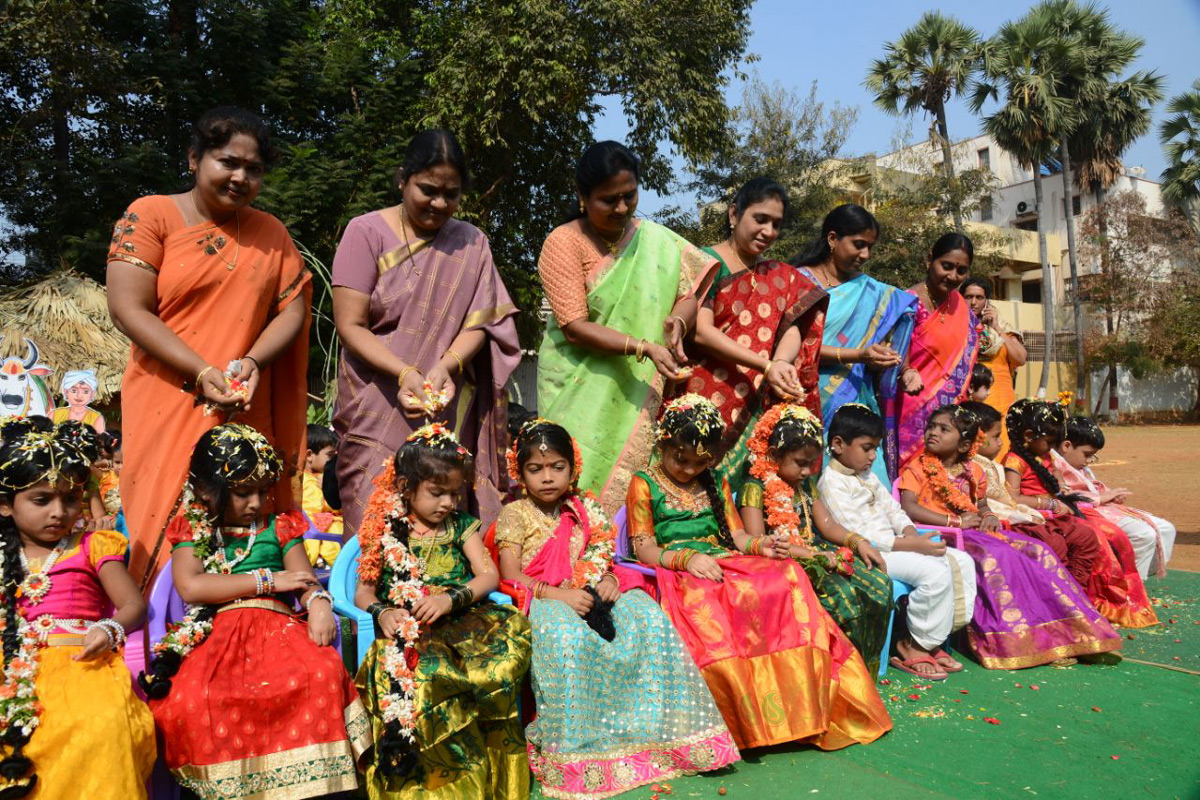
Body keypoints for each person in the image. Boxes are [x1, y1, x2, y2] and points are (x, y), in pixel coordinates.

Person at [107, 106, 311, 590]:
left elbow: (294, 310)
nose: (240, 177)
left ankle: (250, 623)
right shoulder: (151, 214)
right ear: (194, 158)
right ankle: (160, 637)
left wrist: (254, 361)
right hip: (169, 396)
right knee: (164, 511)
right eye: (227, 161)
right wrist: (200, 372)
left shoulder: (270, 233)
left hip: (243, 402)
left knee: (247, 515)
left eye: (254, 169)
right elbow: (128, 309)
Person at [626, 395, 891, 751]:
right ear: (664, 444)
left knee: (788, 576)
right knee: (716, 596)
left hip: (723, 558)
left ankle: (803, 708)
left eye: (699, 462)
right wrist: (686, 559)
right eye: (681, 460)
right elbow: (643, 548)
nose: (690, 470)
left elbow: (736, 536)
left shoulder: (713, 479)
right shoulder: (644, 483)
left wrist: (761, 546)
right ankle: (742, 721)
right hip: (676, 565)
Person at [495, 419, 737, 798]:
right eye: (535, 469)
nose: (547, 478)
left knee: (646, 616)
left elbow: (604, 557)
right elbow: (509, 575)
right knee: (565, 634)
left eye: (557, 467)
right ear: (520, 473)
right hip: (543, 600)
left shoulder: (585, 507)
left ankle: (661, 738)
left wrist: (608, 579)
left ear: (572, 469)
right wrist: (560, 597)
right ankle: (581, 755)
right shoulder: (516, 513)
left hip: (592, 590)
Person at [142, 424, 367, 799]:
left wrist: (319, 603)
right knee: (193, 696)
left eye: (263, 492)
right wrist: (268, 580)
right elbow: (192, 586)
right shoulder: (193, 529)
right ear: (205, 491)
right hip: (215, 634)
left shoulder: (279, 526)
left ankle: (310, 788)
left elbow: (305, 580)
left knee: (321, 673)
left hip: (278, 630)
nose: (256, 503)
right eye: (243, 492)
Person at [332, 129, 520, 536]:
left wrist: (446, 367)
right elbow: (350, 325)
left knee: (440, 515)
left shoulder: (471, 242)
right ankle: (367, 599)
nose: (439, 203)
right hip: (375, 399)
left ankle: (441, 596)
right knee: (371, 516)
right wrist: (403, 373)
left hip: (441, 404)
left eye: (450, 194)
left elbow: (483, 322)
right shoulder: (365, 232)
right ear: (403, 179)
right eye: (428, 189)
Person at [537, 142, 718, 513]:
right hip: (577, 388)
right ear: (582, 197)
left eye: (629, 196)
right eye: (609, 200)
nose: (622, 208)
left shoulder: (655, 240)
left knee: (635, 497)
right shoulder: (564, 242)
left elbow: (690, 294)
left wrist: (678, 321)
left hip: (638, 392)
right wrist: (644, 347)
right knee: (572, 481)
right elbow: (574, 327)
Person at [354, 424, 530, 799]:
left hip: (466, 619)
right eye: (437, 493)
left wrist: (452, 599)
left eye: (454, 493)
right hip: (410, 627)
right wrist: (382, 612)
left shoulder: (461, 527)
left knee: (496, 669)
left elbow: (489, 575)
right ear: (404, 486)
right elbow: (362, 592)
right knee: (426, 676)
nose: (448, 503)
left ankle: (493, 784)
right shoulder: (383, 528)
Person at [895, 405, 1122, 668]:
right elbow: (909, 507)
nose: (933, 432)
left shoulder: (973, 471)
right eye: (932, 426)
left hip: (975, 532)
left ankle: (1066, 634)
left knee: (1038, 551)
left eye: (944, 429)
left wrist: (988, 515)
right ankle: (1019, 641)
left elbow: (979, 504)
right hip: (941, 536)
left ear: (964, 444)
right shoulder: (918, 467)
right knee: (999, 558)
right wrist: (956, 521)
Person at [0, 417, 155, 798]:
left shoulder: (93, 545)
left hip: (83, 662)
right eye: (41, 500)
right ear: (5, 506)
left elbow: (133, 605)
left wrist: (109, 629)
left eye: (71, 499)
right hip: (12, 664)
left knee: (100, 725)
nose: (59, 512)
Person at [674, 178, 827, 483]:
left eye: (776, 224)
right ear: (734, 215)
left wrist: (782, 363)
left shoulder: (780, 276)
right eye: (760, 219)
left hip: (755, 400)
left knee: (750, 493)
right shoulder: (705, 262)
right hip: (703, 394)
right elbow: (700, 332)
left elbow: (794, 322)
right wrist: (766, 365)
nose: (768, 232)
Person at [819, 404, 976, 680]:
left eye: (876, 449)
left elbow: (894, 510)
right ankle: (911, 645)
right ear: (838, 444)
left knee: (962, 561)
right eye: (866, 448)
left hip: (896, 546)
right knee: (935, 571)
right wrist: (911, 545)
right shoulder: (831, 482)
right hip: (868, 555)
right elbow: (858, 534)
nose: (872, 456)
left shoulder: (867, 475)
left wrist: (909, 531)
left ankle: (932, 640)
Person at [737, 404, 894, 674]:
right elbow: (758, 543)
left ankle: (864, 672)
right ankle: (836, 675)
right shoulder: (755, 486)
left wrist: (858, 542)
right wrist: (814, 557)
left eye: (812, 464)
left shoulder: (805, 484)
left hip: (817, 552)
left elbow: (827, 524)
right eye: (801, 462)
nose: (809, 471)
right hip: (782, 561)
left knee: (880, 585)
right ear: (774, 455)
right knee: (844, 598)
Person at [791, 205, 918, 483]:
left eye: (869, 247)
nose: (866, 255)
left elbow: (904, 313)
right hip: (806, 396)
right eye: (858, 245)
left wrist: (889, 356)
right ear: (833, 239)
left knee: (865, 479)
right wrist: (859, 354)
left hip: (854, 398)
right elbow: (797, 350)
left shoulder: (872, 291)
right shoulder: (798, 282)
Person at [1004, 399, 1157, 629]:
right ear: (1028, 436)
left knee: (1093, 538)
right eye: (1050, 442)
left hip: (1059, 515)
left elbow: (1059, 484)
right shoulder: (1015, 461)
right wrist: (1050, 503)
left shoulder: (1046, 456)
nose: (1053, 448)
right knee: (1058, 545)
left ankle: (1079, 595)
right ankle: (1060, 602)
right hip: (1034, 518)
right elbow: (1011, 499)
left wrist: (1062, 492)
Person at [889, 233, 980, 472]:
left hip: (949, 411)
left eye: (961, 271)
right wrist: (907, 371)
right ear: (930, 260)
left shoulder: (962, 308)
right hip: (910, 404)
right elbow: (894, 352)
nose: (952, 276)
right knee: (909, 475)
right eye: (946, 266)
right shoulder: (907, 302)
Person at [1055, 416, 1175, 579]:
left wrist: (1111, 496)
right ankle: (1131, 586)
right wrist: (1101, 498)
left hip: (1105, 509)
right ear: (1066, 446)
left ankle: (1140, 578)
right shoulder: (1053, 465)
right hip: (1087, 514)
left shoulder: (1077, 464)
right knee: (1144, 535)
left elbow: (1093, 487)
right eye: (1087, 454)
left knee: (1167, 529)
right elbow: (1064, 497)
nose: (1089, 460)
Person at [960, 278, 1027, 459]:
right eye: (968, 297)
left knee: (1002, 450)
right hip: (968, 403)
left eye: (979, 297)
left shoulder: (1003, 328)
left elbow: (1021, 358)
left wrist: (996, 327)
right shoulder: (955, 327)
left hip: (1001, 404)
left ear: (987, 301)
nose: (973, 302)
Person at [302, 423, 342, 568]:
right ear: (309, 455)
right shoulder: (301, 480)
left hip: (325, 538)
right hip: (308, 535)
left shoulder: (325, 478)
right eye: (330, 456)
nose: (334, 461)